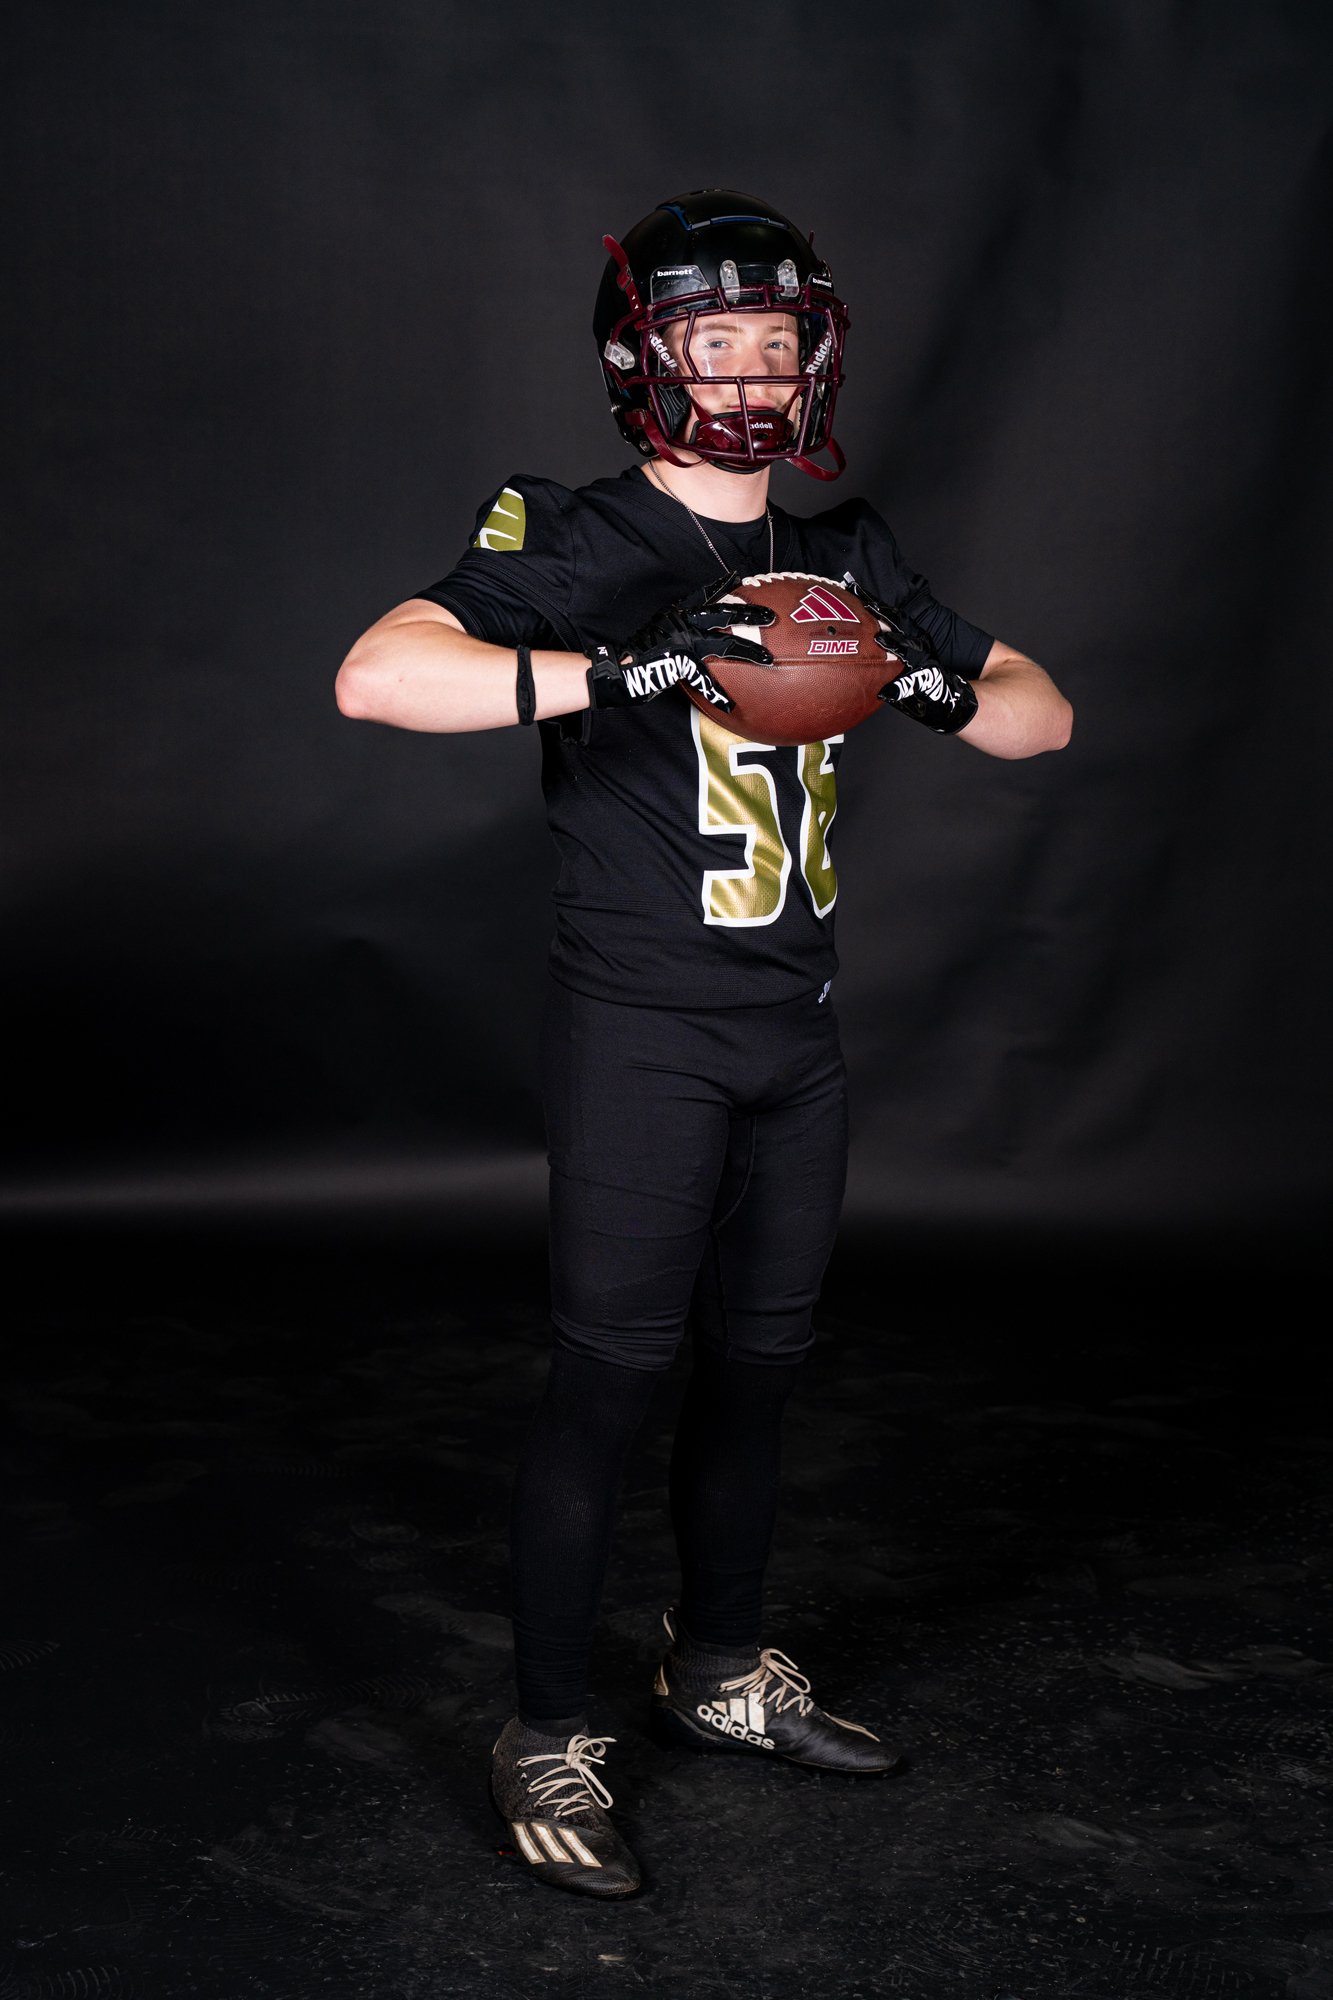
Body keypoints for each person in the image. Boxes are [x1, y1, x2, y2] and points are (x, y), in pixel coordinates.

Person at [336, 188, 1072, 1899]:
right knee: (610, 1378)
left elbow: (1040, 718)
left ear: (815, 358)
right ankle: (543, 1728)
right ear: (644, 361)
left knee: (759, 1368)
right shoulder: (583, 535)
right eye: (711, 341)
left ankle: (719, 1667)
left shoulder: (846, 553)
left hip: (792, 1039)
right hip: (639, 1036)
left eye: (772, 341)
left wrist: (928, 685)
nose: (748, 374)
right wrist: (627, 667)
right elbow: (381, 677)